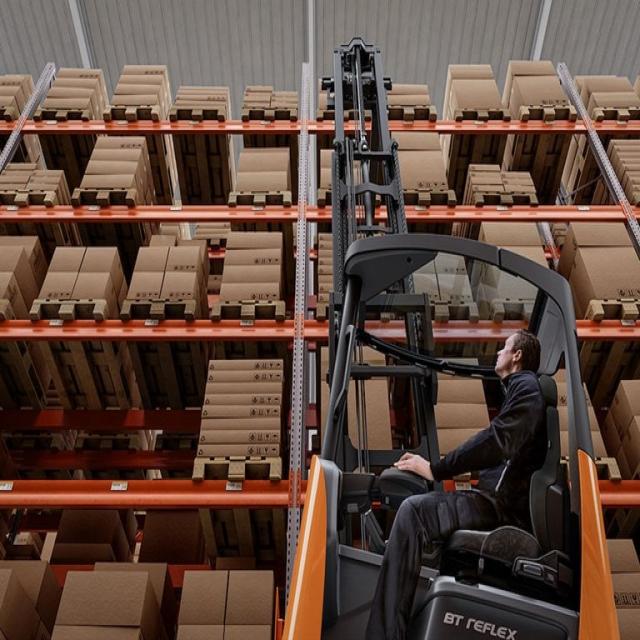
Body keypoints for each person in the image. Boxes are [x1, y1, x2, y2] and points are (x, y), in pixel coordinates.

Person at [366, 329, 547, 640]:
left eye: (504, 347)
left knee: (413, 512)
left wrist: (435, 469)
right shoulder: (519, 391)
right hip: (494, 502)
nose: (499, 352)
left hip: (499, 510)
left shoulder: (527, 388)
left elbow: (495, 441)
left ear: (517, 355)